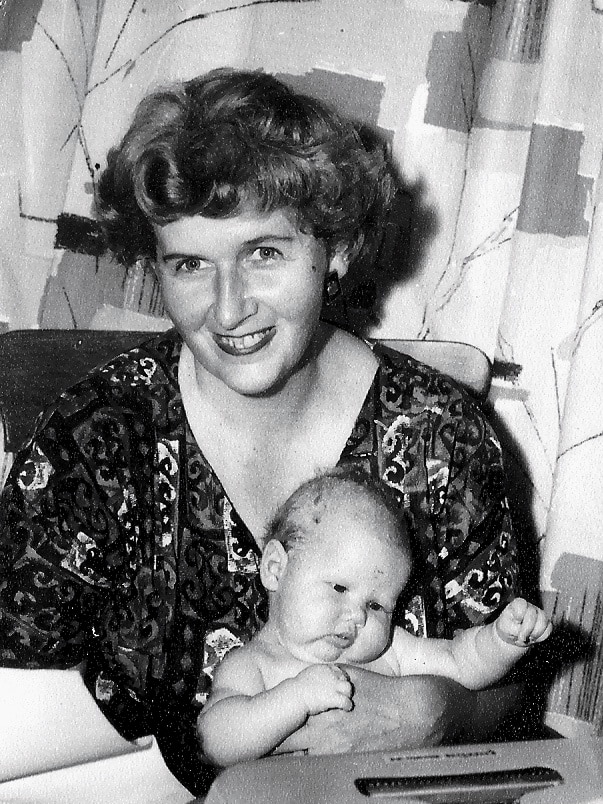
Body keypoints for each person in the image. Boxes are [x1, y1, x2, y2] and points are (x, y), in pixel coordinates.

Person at [0, 68, 519, 796]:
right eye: (189, 264)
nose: (228, 308)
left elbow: (506, 684)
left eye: (264, 254)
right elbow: (14, 694)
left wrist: (439, 709)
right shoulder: (96, 438)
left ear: (333, 252)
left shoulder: (441, 438)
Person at [198, 468, 551, 766]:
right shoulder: (252, 666)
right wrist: (295, 698)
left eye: (377, 606)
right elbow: (216, 741)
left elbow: (460, 661)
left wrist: (502, 641)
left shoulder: (388, 650)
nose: (356, 616)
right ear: (276, 569)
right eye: (339, 588)